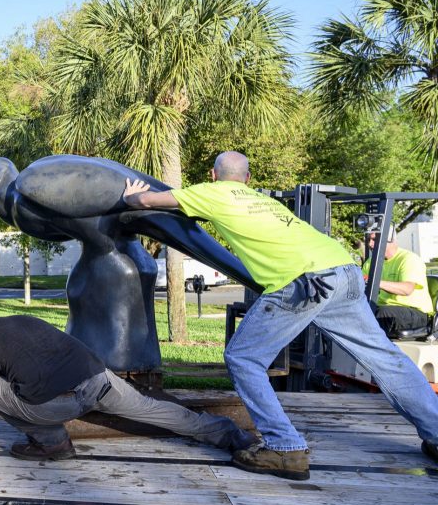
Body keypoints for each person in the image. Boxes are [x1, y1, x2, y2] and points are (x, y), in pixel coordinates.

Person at [121, 150, 438, 480]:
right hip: (343, 270)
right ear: (247, 179)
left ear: (213, 176)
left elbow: (146, 202)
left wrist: (131, 195)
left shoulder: (211, 192)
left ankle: (284, 448)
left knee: (244, 357)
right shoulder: (263, 201)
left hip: (304, 282)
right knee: (385, 359)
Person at [0, 306, 254, 461]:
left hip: (57, 400)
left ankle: (52, 442)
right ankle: (227, 434)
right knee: (152, 409)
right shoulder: (22, 320)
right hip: (98, 378)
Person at [363, 232, 433, 337]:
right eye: (368, 240)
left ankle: (377, 351)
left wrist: (375, 282)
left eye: (374, 240)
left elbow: (407, 289)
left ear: (390, 239)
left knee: (381, 313)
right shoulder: (370, 262)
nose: (370, 244)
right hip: (385, 308)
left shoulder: (408, 259)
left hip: (416, 312)